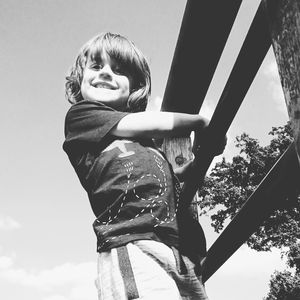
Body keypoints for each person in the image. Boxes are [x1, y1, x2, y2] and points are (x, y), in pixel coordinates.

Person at [63, 32, 225, 300]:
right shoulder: (82, 118)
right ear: (79, 78)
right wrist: (201, 122)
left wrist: (201, 159)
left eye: (119, 70)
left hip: (180, 248)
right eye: (96, 66)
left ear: (135, 87)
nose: (105, 73)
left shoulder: (147, 144)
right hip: (133, 240)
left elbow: (172, 181)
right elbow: (136, 122)